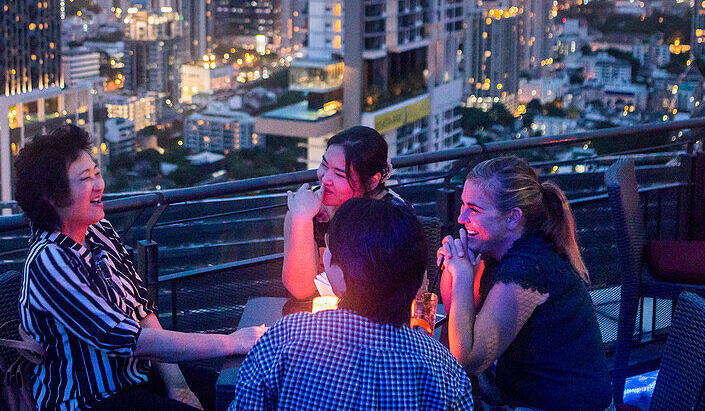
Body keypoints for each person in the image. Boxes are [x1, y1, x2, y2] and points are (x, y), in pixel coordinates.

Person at [15, 125, 265, 411]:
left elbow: (141, 308)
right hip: (90, 399)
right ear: (53, 196)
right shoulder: (50, 261)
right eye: (86, 179)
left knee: (246, 390)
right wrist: (230, 342)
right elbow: (128, 339)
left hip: (136, 377)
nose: (100, 185)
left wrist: (178, 386)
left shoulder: (98, 230)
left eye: (97, 173)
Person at [232, 197, 473, 411]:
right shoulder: (442, 368)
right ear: (417, 280)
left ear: (340, 273)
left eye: (329, 250)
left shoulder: (286, 338)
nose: (324, 256)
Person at [437, 156, 612, 411]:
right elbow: (461, 319)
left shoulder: (528, 268)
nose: (461, 217)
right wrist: (455, 267)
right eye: (463, 205)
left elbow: (467, 360)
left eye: (474, 209)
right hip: (522, 392)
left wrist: (463, 274)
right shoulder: (498, 251)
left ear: (512, 218)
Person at [282, 126, 408, 298]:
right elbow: (300, 290)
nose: (325, 179)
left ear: (372, 182)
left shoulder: (392, 217)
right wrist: (301, 220)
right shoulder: (307, 207)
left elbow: (398, 295)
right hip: (317, 318)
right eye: (324, 165)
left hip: (372, 319)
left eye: (340, 175)